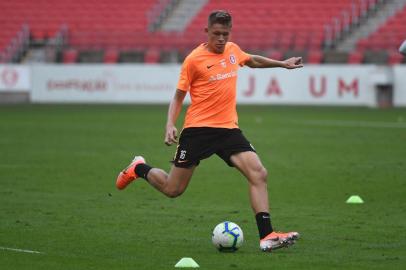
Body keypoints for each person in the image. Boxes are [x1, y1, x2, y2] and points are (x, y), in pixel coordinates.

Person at [116, 10, 303, 252]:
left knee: (258, 173)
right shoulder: (194, 60)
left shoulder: (233, 50)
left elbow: (252, 60)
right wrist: (170, 124)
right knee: (173, 190)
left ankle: (267, 236)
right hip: (198, 131)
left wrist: (281, 64)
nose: (222, 39)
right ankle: (138, 168)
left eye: (226, 34)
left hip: (228, 130)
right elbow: (178, 96)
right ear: (206, 32)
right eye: (217, 34)